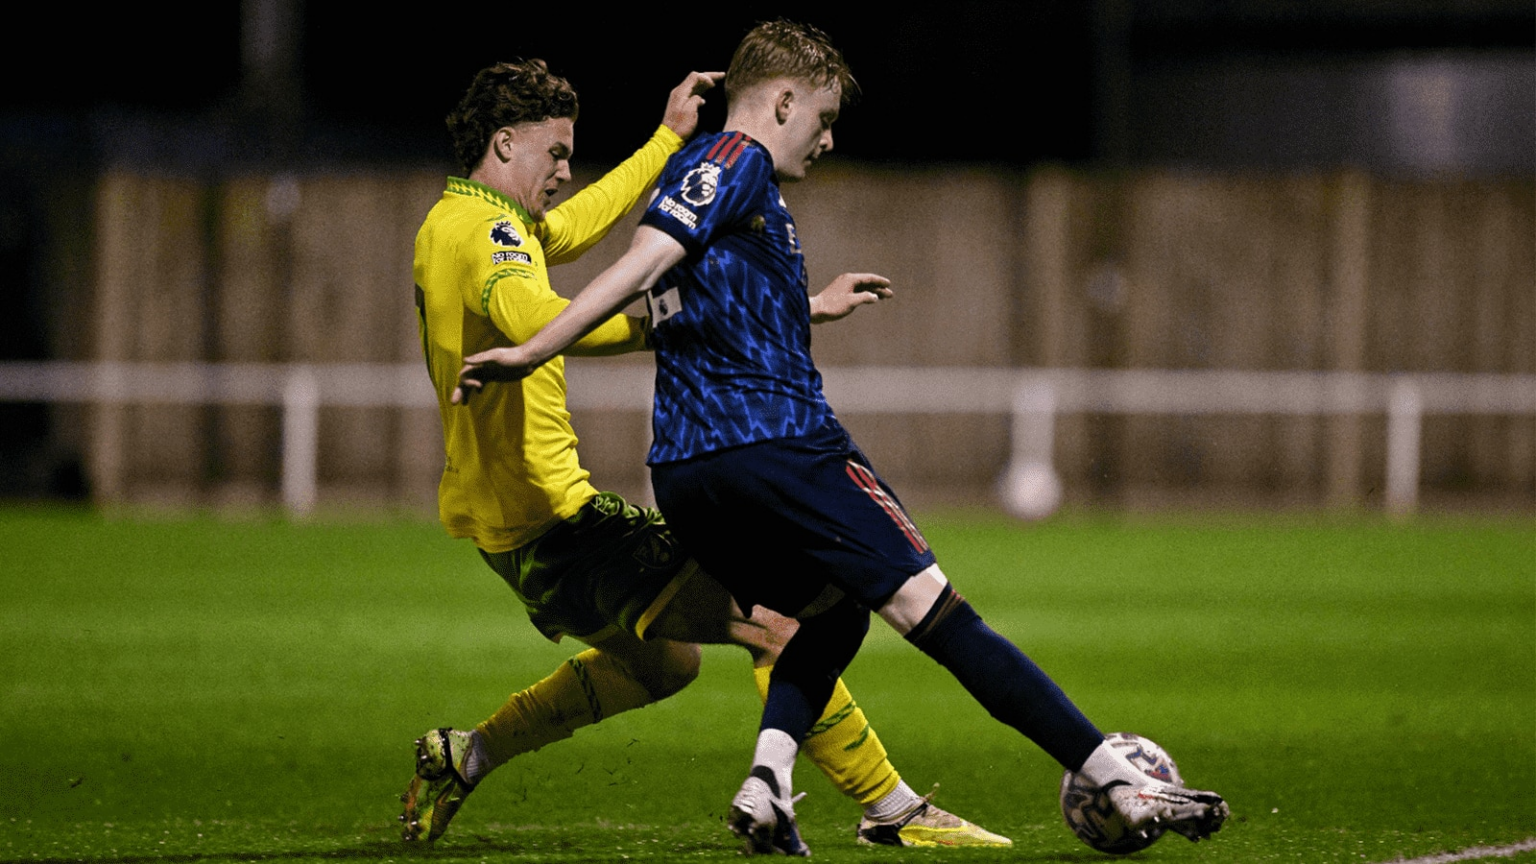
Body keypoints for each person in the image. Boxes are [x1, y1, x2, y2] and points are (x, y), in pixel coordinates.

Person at [451, 20, 1231, 858]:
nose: (829, 138)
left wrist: (807, 306)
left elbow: (689, 300)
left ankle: (770, 781)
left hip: (688, 472)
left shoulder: (723, 185)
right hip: (781, 447)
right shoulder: (732, 160)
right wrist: (536, 348)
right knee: (940, 615)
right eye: (821, 118)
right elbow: (647, 259)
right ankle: (1113, 773)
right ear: (782, 100)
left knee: (828, 616)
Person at [402, 58, 1010, 850]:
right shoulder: (487, 236)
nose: (561, 171)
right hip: (560, 521)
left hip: (513, 531)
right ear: (504, 142)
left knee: (667, 666)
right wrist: (682, 318)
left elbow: (578, 228)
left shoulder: (462, 220)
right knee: (781, 624)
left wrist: (663, 142)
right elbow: (536, 317)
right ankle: (888, 807)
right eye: (553, 153)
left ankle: (466, 755)